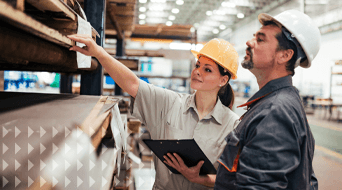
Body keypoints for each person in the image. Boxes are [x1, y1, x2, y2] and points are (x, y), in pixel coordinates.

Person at [68, 36, 240, 189]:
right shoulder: (170, 103)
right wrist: (99, 53)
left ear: (223, 80)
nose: (197, 71)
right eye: (197, 65)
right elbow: (133, 84)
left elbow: (233, 178)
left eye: (207, 69)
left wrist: (200, 179)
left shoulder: (232, 124)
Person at [214, 9, 321, 190]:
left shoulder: (275, 111)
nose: (249, 42)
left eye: (260, 39)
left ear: (284, 55)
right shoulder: (278, 102)